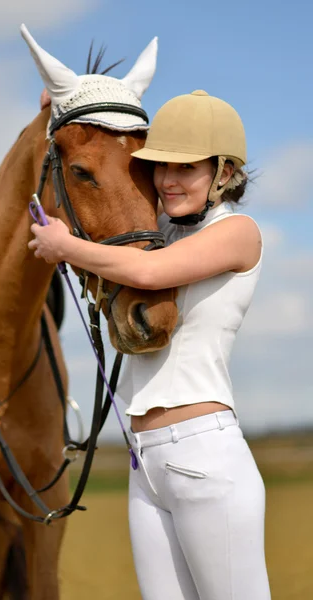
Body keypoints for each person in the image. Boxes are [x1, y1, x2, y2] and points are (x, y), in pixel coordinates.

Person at [29, 89, 271, 600]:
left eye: (186, 168)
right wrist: (55, 115)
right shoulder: (160, 230)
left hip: (204, 455)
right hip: (147, 465)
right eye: (160, 167)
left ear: (225, 172)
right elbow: (108, 221)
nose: (166, 180)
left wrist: (63, 246)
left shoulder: (238, 233)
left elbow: (145, 270)